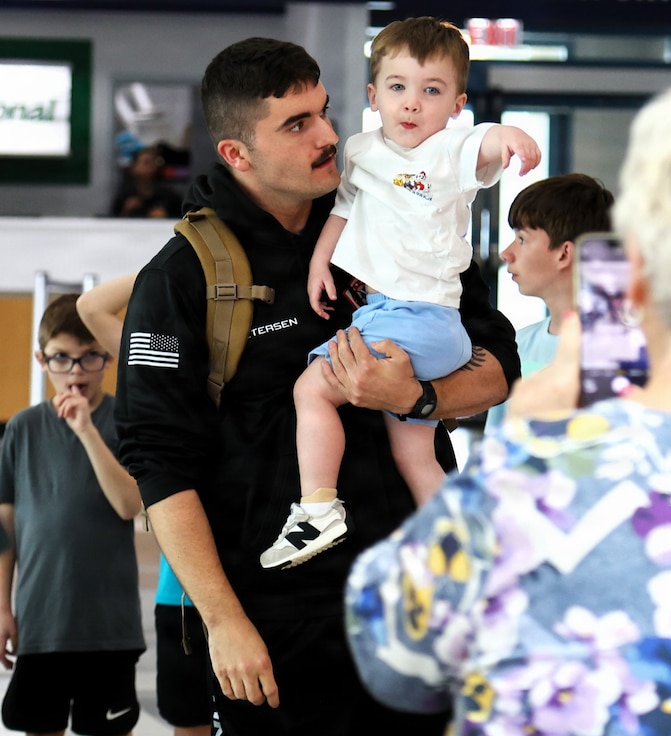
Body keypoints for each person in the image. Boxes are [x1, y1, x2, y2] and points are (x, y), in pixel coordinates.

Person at [114, 35, 521, 736]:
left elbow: (497, 363)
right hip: (279, 618)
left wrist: (419, 400)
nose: (329, 135)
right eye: (296, 124)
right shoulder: (181, 278)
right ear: (237, 154)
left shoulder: (399, 212)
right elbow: (159, 464)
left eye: (325, 112)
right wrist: (224, 621)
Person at [345, 87, 671, 736]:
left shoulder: (564, 414)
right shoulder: (534, 353)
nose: (508, 252)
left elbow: (394, 655)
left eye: (524, 236)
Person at [259, 16, 541, 570]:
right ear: (373, 95)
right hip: (407, 319)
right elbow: (343, 210)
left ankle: (317, 508)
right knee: (415, 453)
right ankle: (462, 545)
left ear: (457, 104)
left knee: (311, 393)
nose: (412, 105)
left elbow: (482, 147)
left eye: (431, 91)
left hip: (418, 318)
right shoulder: (362, 151)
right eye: (397, 88)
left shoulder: (450, 148)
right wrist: (321, 264)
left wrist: (504, 137)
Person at [0, 293, 145, 736]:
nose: (76, 372)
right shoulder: (22, 428)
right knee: (39, 726)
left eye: (89, 358)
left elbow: (129, 504)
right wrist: (2, 606)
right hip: (42, 619)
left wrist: (85, 430)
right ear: (42, 360)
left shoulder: (126, 419)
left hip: (108, 625)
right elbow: (5, 525)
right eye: (62, 358)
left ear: (108, 358)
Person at [76, 277, 211, 736]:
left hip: (259, 576)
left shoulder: (265, 350)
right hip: (185, 592)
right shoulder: (166, 352)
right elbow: (92, 308)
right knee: (189, 722)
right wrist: (189, 256)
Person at [484, 172, 614, 431]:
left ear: (564, 253)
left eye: (522, 239)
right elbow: (495, 453)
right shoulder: (515, 347)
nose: (505, 253)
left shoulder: (627, 355)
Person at [111, 146, 183, 219]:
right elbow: (112, 222)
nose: (150, 167)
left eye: (153, 162)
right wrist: (126, 211)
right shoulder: (124, 196)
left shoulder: (169, 196)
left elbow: (182, 220)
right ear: (133, 167)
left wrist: (165, 216)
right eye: (146, 163)